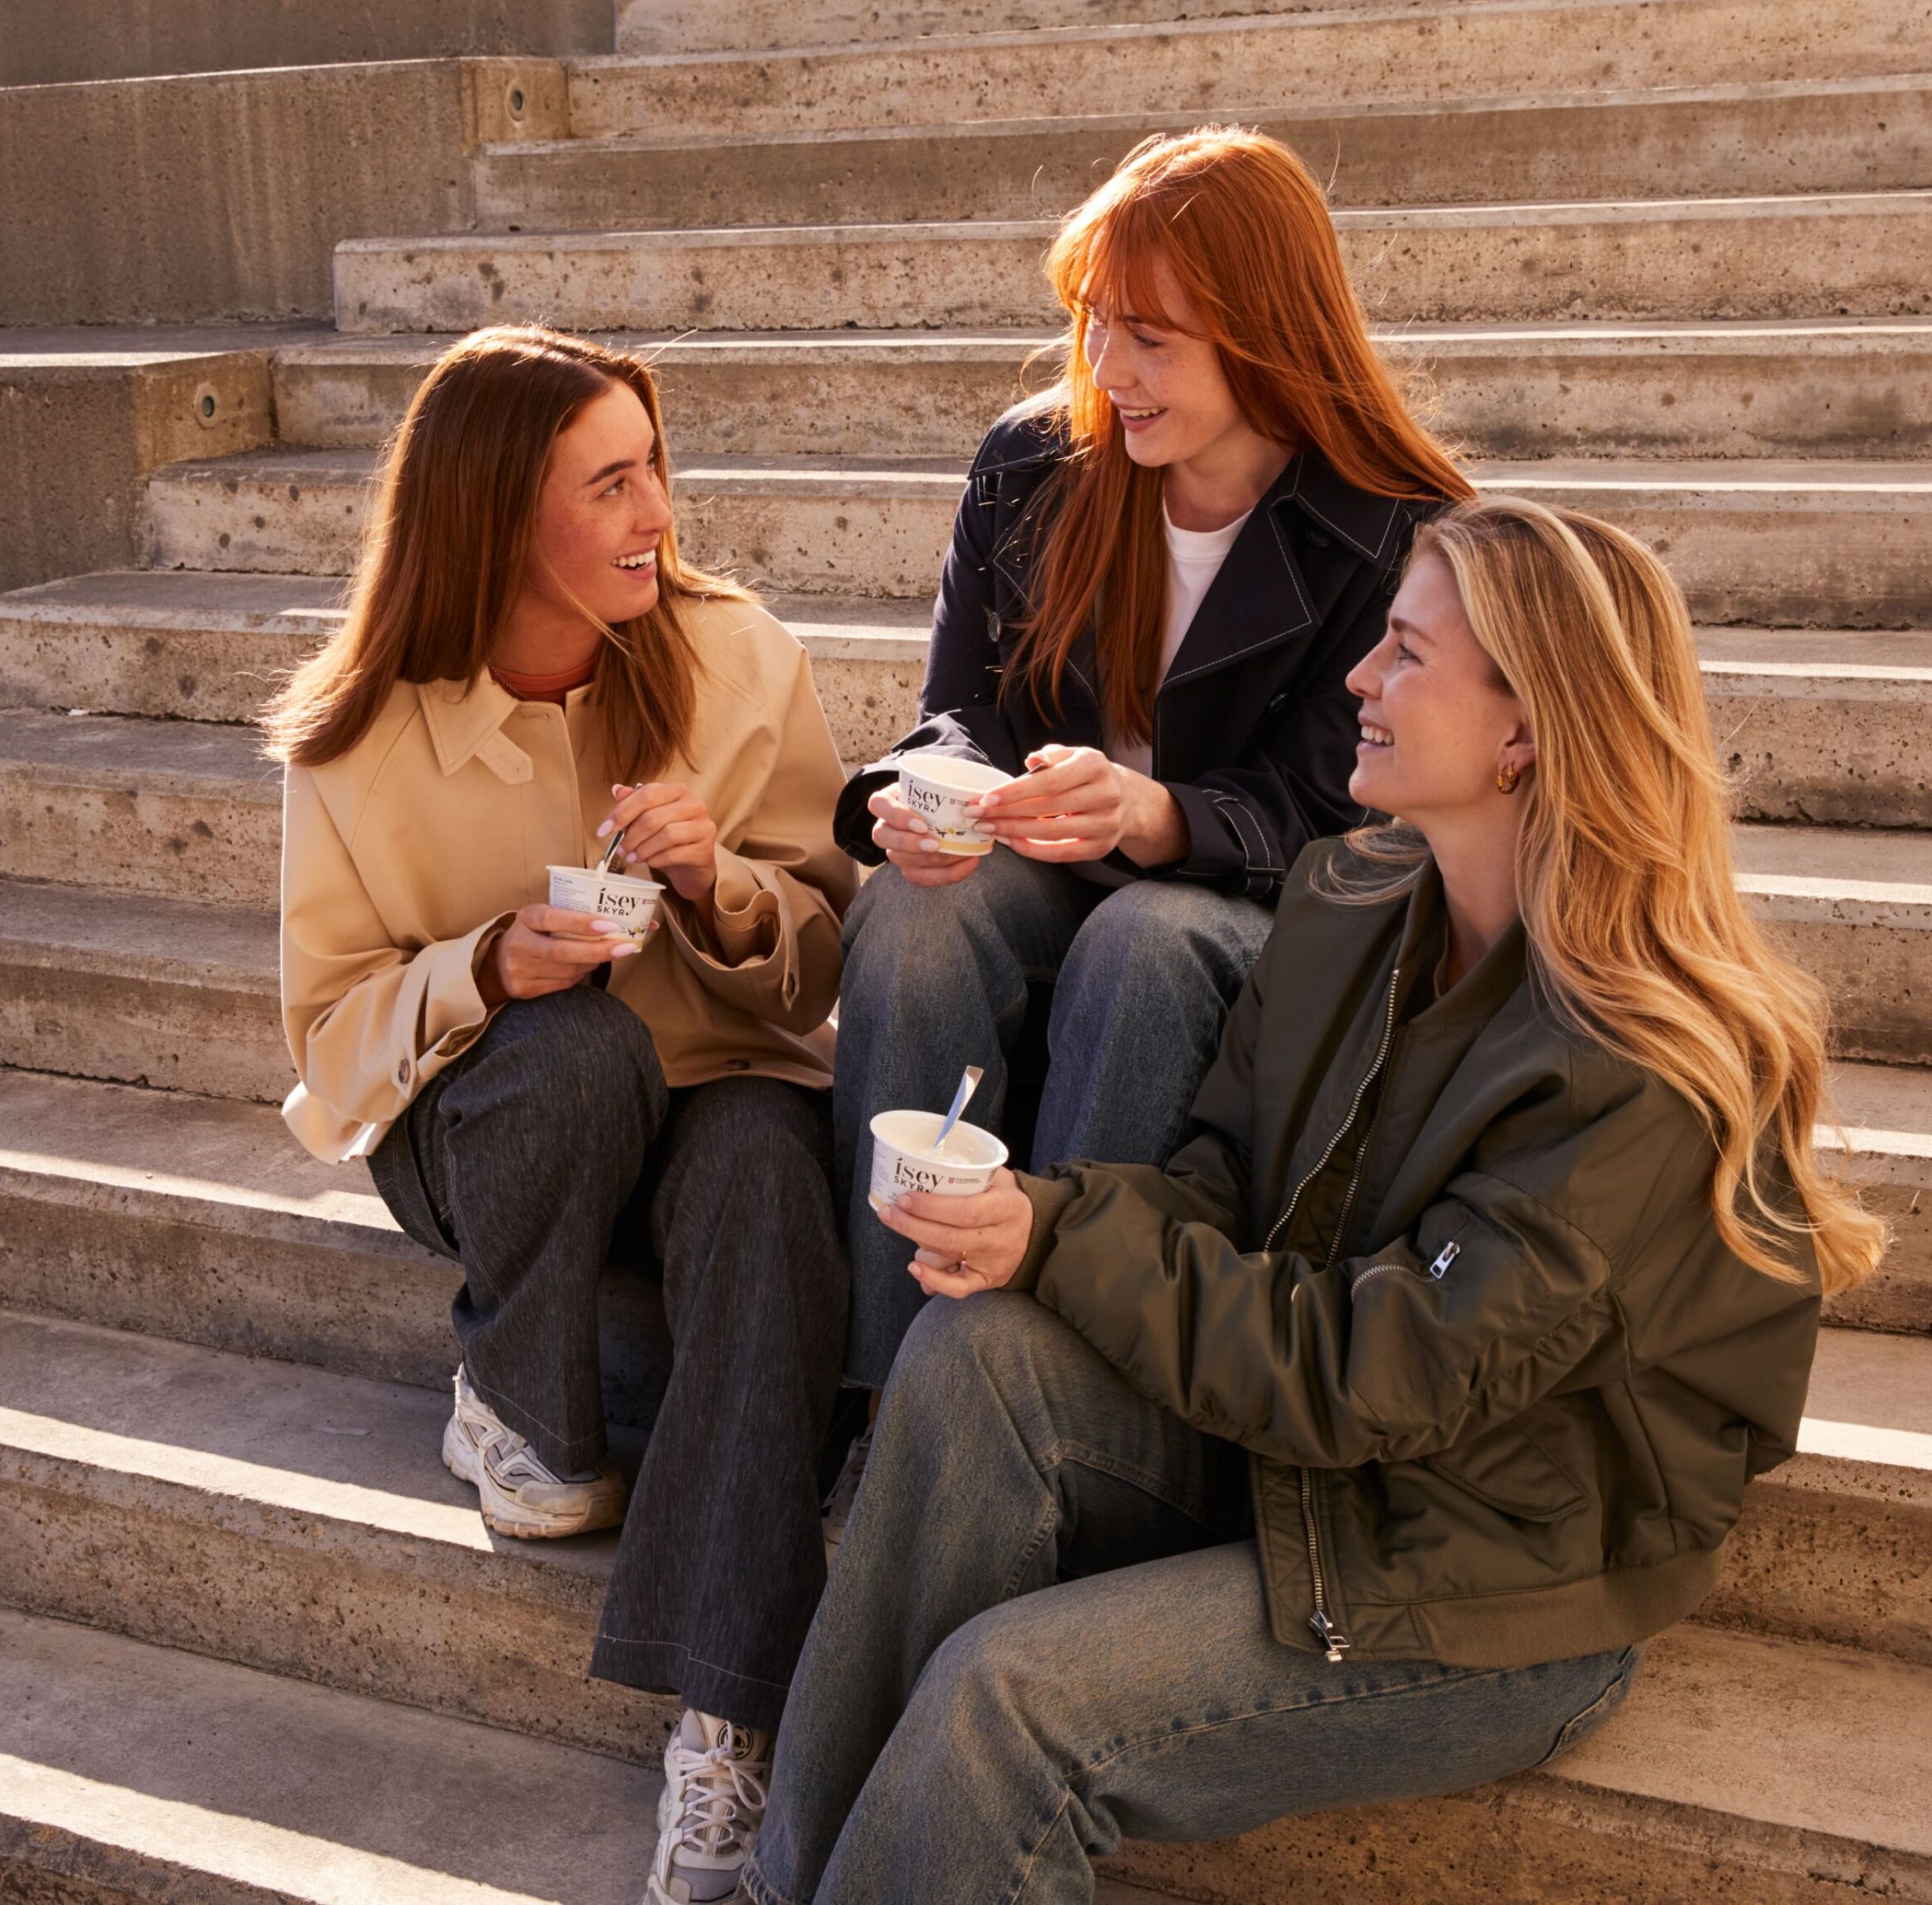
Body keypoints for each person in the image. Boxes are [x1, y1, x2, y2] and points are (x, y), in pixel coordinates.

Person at [745, 497, 1887, 1905]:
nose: (1358, 677)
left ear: (1524, 732)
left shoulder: (1641, 1063)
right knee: (976, 1356)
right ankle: (783, 1886)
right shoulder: (1357, 901)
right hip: (1320, 1469)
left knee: (1005, 1698)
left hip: (1490, 1583)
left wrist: (1066, 1237)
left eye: (1404, 654)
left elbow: (1376, 1375)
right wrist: (1036, 1219)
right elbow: (1222, 1180)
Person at [266, 326, 858, 1905]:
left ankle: (726, 1724)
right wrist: (487, 969)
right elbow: (328, 1051)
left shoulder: (737, 657)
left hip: (721, 1091)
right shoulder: (358, 737)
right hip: (497, 1126)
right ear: (494, 518)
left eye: (653, 463)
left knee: (761, 1182)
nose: (659, 506)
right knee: (579, 1050)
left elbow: (819, 955)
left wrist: (716, 883)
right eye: (612, 483)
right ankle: (518, 1394)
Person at [827, 128, 1475, 1440]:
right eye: (1093, 328)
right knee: (910, 911)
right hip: (1044, 871)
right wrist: (928, 797)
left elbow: (1367, 815)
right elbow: (961, 712)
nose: (1109, 373)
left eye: (1154, 339)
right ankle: (892, 1409)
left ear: (1268, 334)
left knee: (1147, 934)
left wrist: (1167, 816)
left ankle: (1067, 1401)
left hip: (1258, 915)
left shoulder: (1397, 521)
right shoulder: (1034, 465)